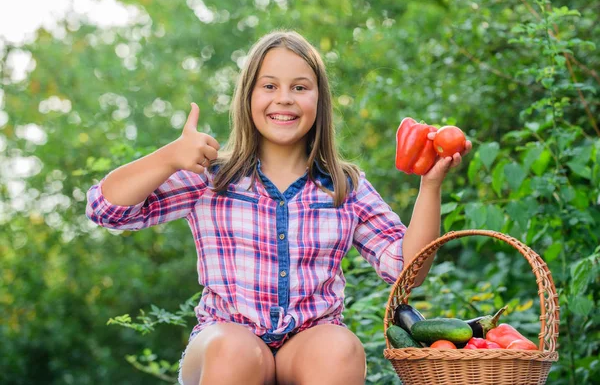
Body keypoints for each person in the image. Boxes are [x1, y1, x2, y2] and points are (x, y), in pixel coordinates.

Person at [86, 30, 471, 385]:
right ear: (247, 97)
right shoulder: (211, 177)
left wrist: (430, 184)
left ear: (318, 100)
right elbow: (107, 209)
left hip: (308, 344)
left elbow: (407, 270)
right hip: (223, 342)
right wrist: (169, 156)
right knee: (235, 351)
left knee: (340, 348)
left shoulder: (344, 186)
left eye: (299, 87)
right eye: (269, 85)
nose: (284, 97)